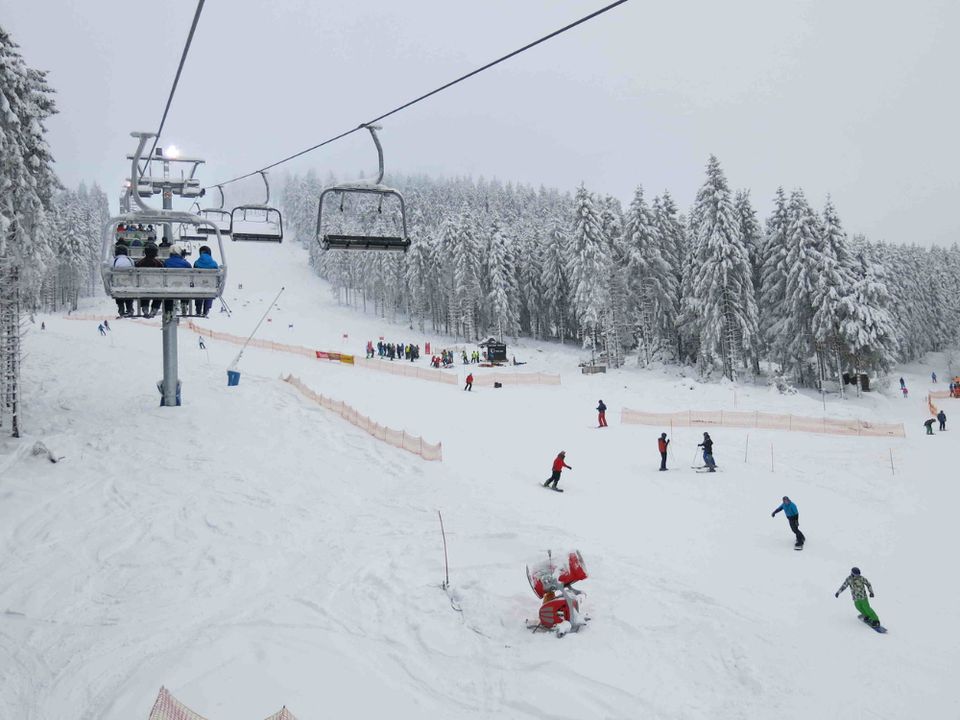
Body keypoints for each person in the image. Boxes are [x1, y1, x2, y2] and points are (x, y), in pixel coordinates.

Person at [136, 242, 164, 317]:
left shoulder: (140, 263)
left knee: (144, 291)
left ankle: (145, 307)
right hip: (156, 286)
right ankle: (154, 308)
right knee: (159, 293)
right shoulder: (159, 264)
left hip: (143, 286)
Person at [164, 244, 191, 315]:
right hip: (182, 286)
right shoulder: (186, 264)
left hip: (169, 286)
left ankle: (168, 310)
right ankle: (184, 303)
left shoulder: (166, 262)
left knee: (168, 293)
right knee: (185, 287)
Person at [192, 245, 219, 316]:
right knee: (210, 290)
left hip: (199, 285)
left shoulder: (197, 263)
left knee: (198, 290)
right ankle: (206, 309)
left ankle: (198, 309)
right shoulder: (214, 263)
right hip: (209, 285)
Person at [112, 244, 135, 317]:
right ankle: (129, 308)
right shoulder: (130, 260)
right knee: (129, 293)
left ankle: (121, 308)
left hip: (118, 283)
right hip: (129, 283)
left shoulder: (115, 260)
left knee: (118, 291)